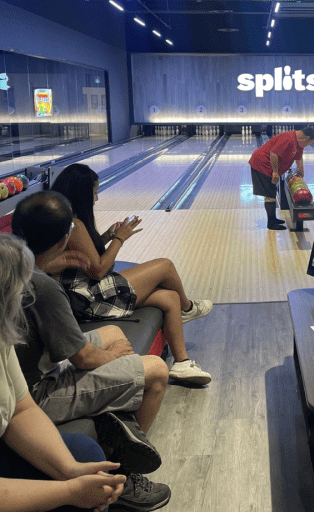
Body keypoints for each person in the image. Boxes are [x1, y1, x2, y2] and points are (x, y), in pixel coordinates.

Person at [12, 193, 172, 512]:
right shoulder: (43, 288)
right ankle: (126, 475)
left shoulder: (14, 264)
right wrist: (116, 357)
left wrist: (112, 350)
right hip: (37, 394)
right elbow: (82, 359)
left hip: (33, 369)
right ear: (64, 240)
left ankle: (114, 416)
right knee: (155, 371)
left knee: (113, 332)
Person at [0, 234, 126, 512]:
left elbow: (22, 409)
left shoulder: (2, 337)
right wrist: (68, 491)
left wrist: (70, 471)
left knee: (83, 455)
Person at [47, 165, 213, 385]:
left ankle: (182, 363)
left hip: (82, 293)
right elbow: (97, 271)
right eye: (93, 192)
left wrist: (106, 236)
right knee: (165, 266)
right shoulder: (73, 224)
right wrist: (120, 239)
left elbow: (86, 259)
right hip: (87, 299)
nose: (96, 198)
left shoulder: (65, 218)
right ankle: (188, 308)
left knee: (168, 297)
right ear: (81, 193)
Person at [249, 126, 314, 230]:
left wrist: (300, 168)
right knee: (269, 194)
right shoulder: (288, 139)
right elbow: (273, 154)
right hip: (262, 164)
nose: (308, 145)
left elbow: (298, 157)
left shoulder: (298, 142)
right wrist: (275, 172)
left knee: (271, 192)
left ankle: (273, 219)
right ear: (306, 138)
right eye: (310, 143)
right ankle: (271, 223)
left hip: (268, 165)